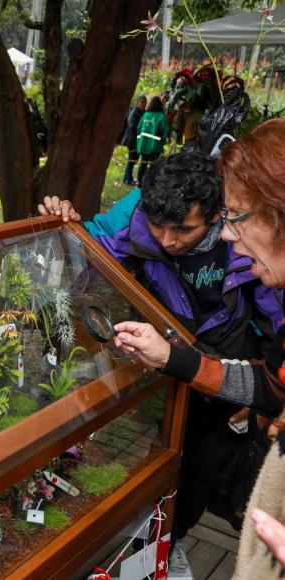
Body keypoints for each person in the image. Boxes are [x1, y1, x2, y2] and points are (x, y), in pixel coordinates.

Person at [38, 149, 283, 569]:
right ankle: (144, 547)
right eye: (158, 226)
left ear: (214, 215)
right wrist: (65, 220)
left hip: (232, 383)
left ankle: (172, 540)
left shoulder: (248, 248)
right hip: (168, 369)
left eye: (182, 229)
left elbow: (275, 323)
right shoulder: (136, 216)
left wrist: (264, 400)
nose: (167, 240)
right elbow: (89, 244)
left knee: (202, 476)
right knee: (159, 462)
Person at [110, 118, 285, 579]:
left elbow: (268, 383)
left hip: (221, 400)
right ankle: (150, 551)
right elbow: (271, 385)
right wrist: (174, 360)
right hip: (188, 381)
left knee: (201, 476)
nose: (229, 236)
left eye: (236, 217)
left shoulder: (259, 277)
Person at [136, 96, 169, 185]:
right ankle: (150, 183)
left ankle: (139, 182)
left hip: (143, 144)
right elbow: (165, 131)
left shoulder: (146, 115)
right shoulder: (161, 116)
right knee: (153, 165)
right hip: (155, 146)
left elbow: (138, 128)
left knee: (143, 164)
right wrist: (163, 140)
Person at [121, 95, 147, 186]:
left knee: (133, 159)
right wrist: (140, 131)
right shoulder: (134, 113)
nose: (144, 104)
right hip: (131, 140)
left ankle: (127, 178)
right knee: (132, 159)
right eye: (142, 102)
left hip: (137, 140)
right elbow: (132, 126)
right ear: (138, 103)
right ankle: (128, 178)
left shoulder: (143, 112)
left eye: (145, 102)